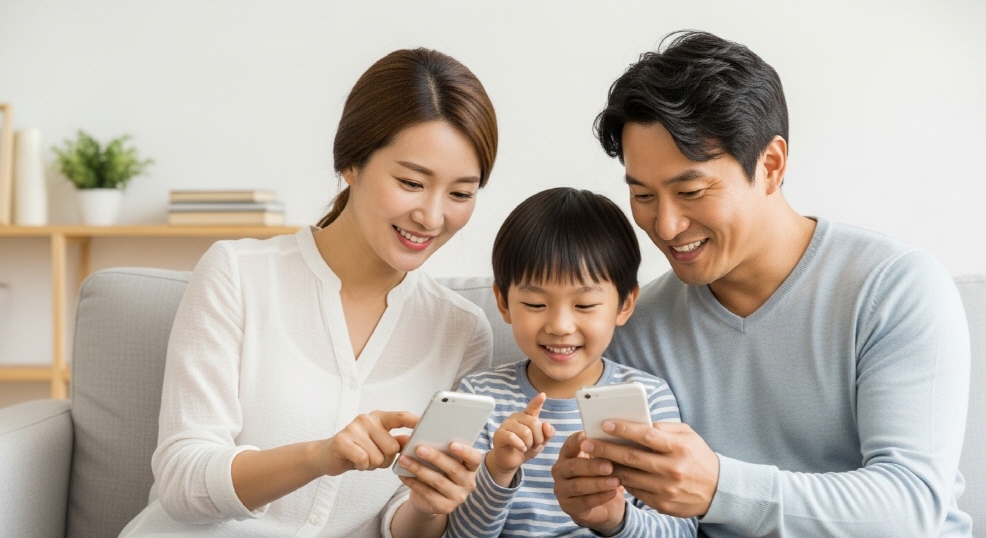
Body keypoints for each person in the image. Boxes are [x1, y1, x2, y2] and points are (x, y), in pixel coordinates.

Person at [551, 31, 972, 537]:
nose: (664, 226)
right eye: (642, 195)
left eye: (690, 190)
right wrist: (610, 516)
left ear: (770, 165)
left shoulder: (894, 289)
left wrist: (718, 488)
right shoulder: (637, 327)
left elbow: (909, 507)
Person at [119, 48, 499, 538]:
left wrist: (429, 508)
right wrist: (321, 455)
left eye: (460, 194)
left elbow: (402, 521)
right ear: (351, 164)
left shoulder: (462, 331)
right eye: (410, 182)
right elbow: (182, 481)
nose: (431, 216)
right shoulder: (238, 274)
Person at [445, 187, 697, 538]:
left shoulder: (647, 398)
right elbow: (459, 534)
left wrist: (615, 520)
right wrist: (498, 470)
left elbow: (680, 531)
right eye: (535, 304)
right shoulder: (479, 397)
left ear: (625, 304)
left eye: (584, 306)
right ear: (503, 303)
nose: (560, 326)